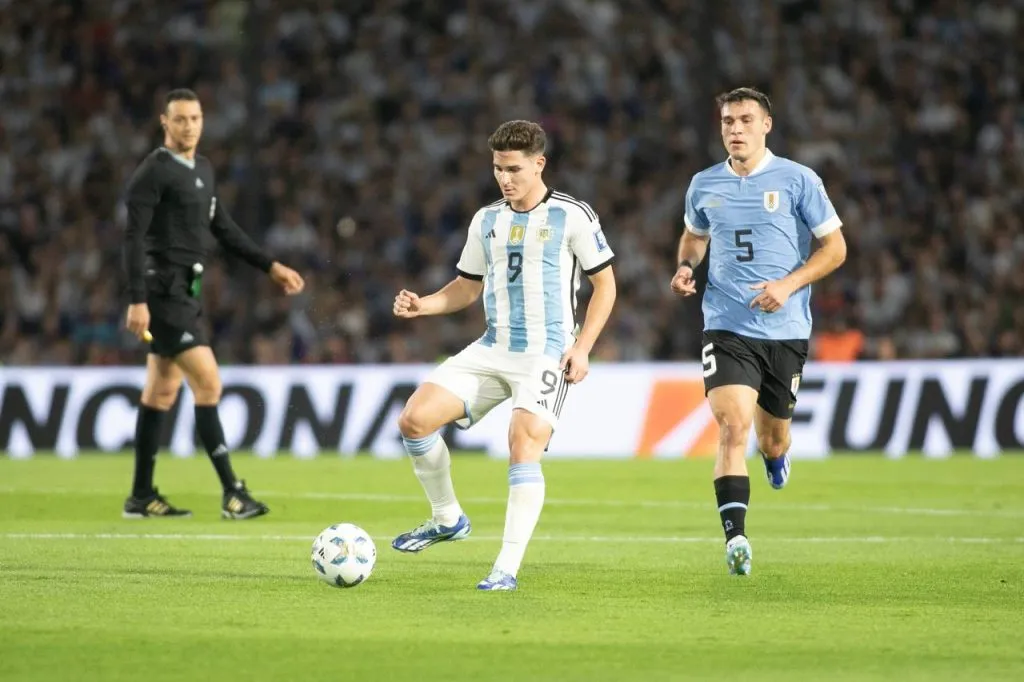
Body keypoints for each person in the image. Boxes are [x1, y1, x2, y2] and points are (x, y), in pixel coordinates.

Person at [390, 120, 617, 591]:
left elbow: (606, 286)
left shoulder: (573, 216)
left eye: (514, 169)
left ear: (539, 163)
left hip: (547, 352)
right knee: (414, 420)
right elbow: (466, 288)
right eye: (497, 169)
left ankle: (505, 569)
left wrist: (583, 347)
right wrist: (424, 305)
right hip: (493, 347)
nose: (504, 179)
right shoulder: (486, 219)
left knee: (523, 442)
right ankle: (447, 518)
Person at [670, 87, 847, 575]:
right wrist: (687, 266)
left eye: (746, 120)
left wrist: (789, 284)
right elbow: (694, 234)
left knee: (772, 439)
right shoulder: (704, 183)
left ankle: (775, 459)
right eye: (728, 121)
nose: (735, 129)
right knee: (731, 428)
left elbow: (835, 249)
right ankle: (736, 540)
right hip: (726, 324)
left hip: (785, 329)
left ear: (766, 125)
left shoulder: (797, 180)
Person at [121, 88, 305, 519]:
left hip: (188, 291)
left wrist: (270, 265)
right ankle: (233, 493)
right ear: (164, 123)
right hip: (163, 292)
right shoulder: (153, 172)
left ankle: (141, 496)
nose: (189, 126)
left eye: (196, 118)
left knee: (161, 392)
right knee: (208, 382)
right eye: (180, 119)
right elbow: (132, 238)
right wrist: (137, 300)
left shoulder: (202, 169)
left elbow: (223, 227)